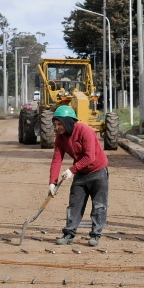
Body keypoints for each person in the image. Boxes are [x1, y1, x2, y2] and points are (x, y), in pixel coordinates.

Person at [49, 105, 109, 246]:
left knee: (99, 205)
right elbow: (57, 159)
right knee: (74, 204)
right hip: (81, 173)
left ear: (68, 121)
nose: (57, 127)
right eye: (55, 124)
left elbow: (90, 157)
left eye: (60, 124)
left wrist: (72, 169)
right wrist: (52, 182)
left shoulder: (84, 131)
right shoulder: (60, 138)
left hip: (98, 172)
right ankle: (69, 234)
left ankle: (95, 235)